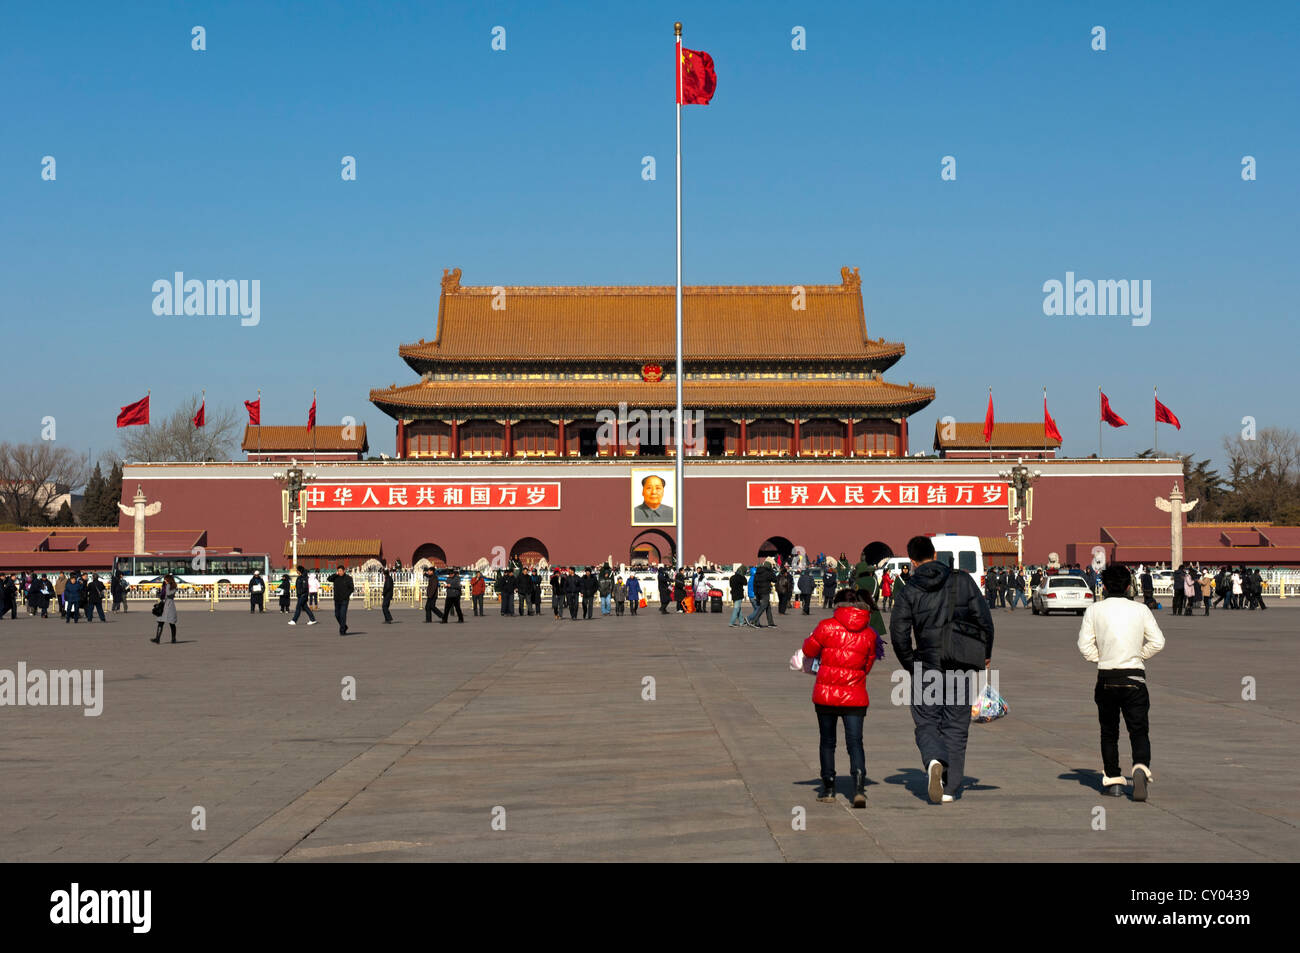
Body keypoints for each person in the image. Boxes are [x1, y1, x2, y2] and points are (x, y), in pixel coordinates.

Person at [889, 535, 995, 804]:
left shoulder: (909, 589)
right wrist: (985, 655)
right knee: (956, 726)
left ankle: (934, 759)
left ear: (912, 561)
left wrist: (910, 664)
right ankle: (950, 788)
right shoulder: (962, 580)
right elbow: (984, 619)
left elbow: (898, 634)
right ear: (935, 554)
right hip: (960, 664)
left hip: (926, 665)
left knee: (926, 721)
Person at [1077, 564, 1165, 800]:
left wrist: (1104, 657)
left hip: (1107, 678)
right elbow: (1158, 642)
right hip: (1134, 677)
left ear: (1103, 586)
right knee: (1138, 730)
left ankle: (1114, 780)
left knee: (1109, 732)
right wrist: (1137, 655)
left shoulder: (1095, 610)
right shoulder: (1141, 610)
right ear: (1129, 586)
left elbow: (1084, 647)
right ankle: (1140, 768)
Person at [804, 589, 880, 808]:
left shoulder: (826, 626)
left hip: (826, 695)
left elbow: (809, 650)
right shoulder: (869, 633)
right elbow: (867, 666)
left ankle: (828, 788)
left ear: (837, 604)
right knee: (855, 743)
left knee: (827, 742)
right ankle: (858, 788)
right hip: (855, 695)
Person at [745, 559, 777, 628]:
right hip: (765, 592)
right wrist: (771, 571)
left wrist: (756, 594)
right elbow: (775, 579)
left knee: (768, 607)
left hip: (758, 592)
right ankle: (754, 621)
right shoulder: (768, 572)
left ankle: (770, 623)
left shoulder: (757, 572)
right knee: (763, 607)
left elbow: (755, 584)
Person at [151, 573, 179, 643]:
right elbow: (163, 594)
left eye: (165, 580)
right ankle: (157, 639)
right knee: (160, 622)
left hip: (170, 606)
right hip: (163, 605)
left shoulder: (173, 586)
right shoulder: (166, 585)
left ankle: (173, 638)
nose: (165, 581)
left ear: (169, 580)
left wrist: (167, 585)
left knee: (171, 623)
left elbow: (169, 594)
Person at [327, 565, 354, 635]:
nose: (339, 572)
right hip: (337, 599)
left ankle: (342, 630)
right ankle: (344, 626)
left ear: (344, 571)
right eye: (338, 571)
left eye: (341, 571)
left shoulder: (348, 578)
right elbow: (328, 579)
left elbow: (351, 588)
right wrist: (335, 574)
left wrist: (346, 595)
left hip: (344, 600)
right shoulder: (336, 577)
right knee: (337, 615)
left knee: (343, 615)